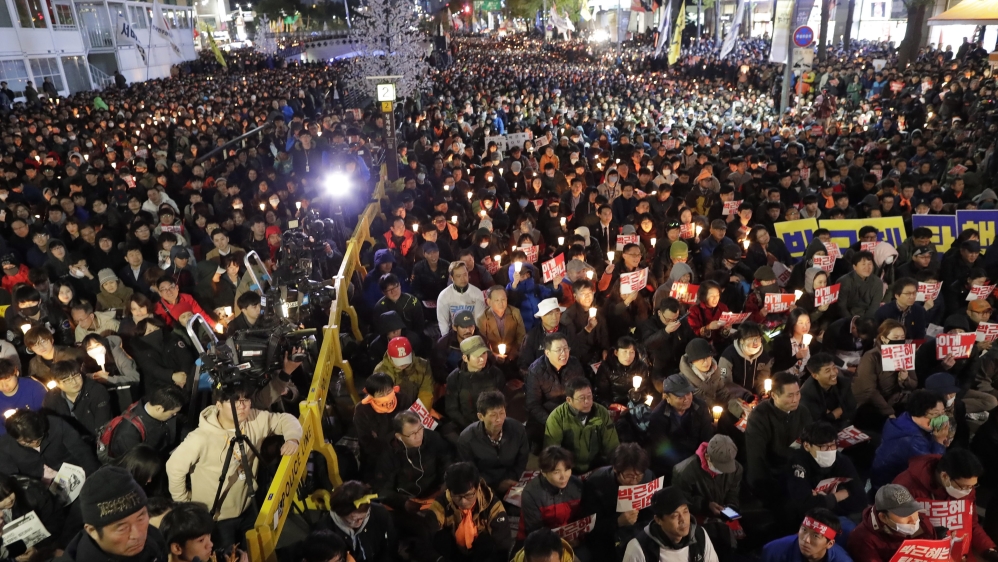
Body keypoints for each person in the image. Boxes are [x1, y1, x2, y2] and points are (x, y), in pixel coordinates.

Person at [165, 383, 303, 549]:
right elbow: (174, 467)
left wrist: (292, 438)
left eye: (246, 400)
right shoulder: (200, 437)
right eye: (234, 401)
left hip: (248, 508)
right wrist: (185, 503)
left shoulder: (253, 418)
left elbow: (284, 419)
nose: (242, 406)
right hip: (216, 518)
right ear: (218, 404)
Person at [892, 449, 998, 560]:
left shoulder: (967, 489)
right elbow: (893, 530)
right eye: (964, 487)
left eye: (973, 486)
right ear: (944, 476)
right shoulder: (905, 486)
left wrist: (988, 549)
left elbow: (971, 523)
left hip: (955, 554)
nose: (969, 491)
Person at [58, 466, 169, 561]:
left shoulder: (153, 535)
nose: (138, 535)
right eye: (122, 528)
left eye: (140, 518)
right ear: (93, 531)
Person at [746, 371, 813, 505]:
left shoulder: (802, 412)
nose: (795, 399)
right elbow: (756, 459)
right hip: (771, 474)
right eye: (790, 396)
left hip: (797, 469)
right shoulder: (759, 416)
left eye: (797, 393)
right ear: (775, 395)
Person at [671, 434, 742, 560]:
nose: (723, 471)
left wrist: (731, 507)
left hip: (721, 515)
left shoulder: (736, 469)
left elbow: (733, 492)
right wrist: (705, 505)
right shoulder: (684, 472)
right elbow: (681, 502)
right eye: (720, 467)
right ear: (707, 457)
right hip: (697, 518)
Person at [581, 444, 656, 561]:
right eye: (629, 476)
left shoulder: (647, 476)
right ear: (616, 469)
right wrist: (617, 522)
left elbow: (651, 513)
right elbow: (590, 527)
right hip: (607, 539)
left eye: (639, 476)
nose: (634, 482)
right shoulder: (596, 483)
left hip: (638, 533)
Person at [428, 462, 513, 562]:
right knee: (440, 538)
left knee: (488, 542)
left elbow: (503, 544)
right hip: (453, 553)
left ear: (477, 488)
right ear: (449, 491)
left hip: (480, 555)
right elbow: (427, 537)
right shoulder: (441, 504)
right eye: (457, 496)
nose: (463, 501)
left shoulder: (492, 505)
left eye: (468, 495)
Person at [786, 422, 866, 524]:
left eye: (832, 445)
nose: (830, 450)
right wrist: (840, 495)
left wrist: (823, 500)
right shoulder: (797, 463)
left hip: (834, 514)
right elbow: (803, 505)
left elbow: (861, 500)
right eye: (823, 446)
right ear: (807, 446)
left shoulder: (841, 460)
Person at [870, 390, 949, 489]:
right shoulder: (912, 441)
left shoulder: (904, 419)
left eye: (943, 412)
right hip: (890, 488)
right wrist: (939, 442)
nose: (942, 418)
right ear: (919, 412)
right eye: (936, 414)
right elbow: (932, 470)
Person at [457, 391, 530, 496]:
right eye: (493, 415)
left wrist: (511, 478)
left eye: (502, 413)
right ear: (480, 416)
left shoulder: (518, 429)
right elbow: (469, 471)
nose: (499, 419)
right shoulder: (467, 438)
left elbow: (522, 459)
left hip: (512, 480)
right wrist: (495, 485)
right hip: (483, 485)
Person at [621, 486, 720, 562]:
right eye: (675, 515)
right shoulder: (639, 548)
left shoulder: (700, 535)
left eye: (685, 511)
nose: (683, 520)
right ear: (658, 520)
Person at [847, 484, 941, 562]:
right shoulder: (863, 540)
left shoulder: (922, 522)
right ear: (883, 517)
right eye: (904, 515)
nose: (913, 520)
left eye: (914, 511)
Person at [544, 377, 620, 472]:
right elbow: (553, 451)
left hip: (596, 465)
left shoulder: (601, 412)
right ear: (569, 400)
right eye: (581, 398)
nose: (587, 402)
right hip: (569, 467)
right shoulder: (557, 417)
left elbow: (612, 445)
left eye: (589, 396)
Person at [647, 374, 715, 478]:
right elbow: (663, 449)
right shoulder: (657, 416)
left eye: (688, 393)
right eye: (680, 396)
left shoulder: (700, 406)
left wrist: (700, 459)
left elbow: (706, 436)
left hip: (697, 455)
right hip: (671, 462)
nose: (686, 399)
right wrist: (684, 466)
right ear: (667, 397)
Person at [0, 409, 100, 478]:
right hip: (41, 487)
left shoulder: (56, 425)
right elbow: (13, 477)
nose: (35, 443)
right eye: (27, 443)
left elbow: (82, 452)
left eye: (39, 439)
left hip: (74, 471)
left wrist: (93, 477)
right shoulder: (5, 446)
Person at [315, 481, 398, 562]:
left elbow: (390, 547)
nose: (358, 523)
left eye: (362, 518)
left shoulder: (380, 513)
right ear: (339, 514)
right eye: (351, 520)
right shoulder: (324, 531)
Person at [525, 333, 586, 439]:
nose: (564, 353)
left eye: (566, 349)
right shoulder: (536, 371)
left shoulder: (574, 364)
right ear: (547, 353)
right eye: (558, 350)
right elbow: (533, 404)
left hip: (571, 411)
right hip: (548, 414)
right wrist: (553, 421)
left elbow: (582, 390)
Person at [518, 446, 585, 541]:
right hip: (540, 542)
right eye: (556, 472)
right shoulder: (531, 493)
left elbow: (582, 516)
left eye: (567, 470)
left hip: (571, 538)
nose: (563, 477)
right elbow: (534, 531)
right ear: (544, 472)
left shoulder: (577, 485)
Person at [105, 386, 186, 459]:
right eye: (172, 413)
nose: (175, 415)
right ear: (159, 409)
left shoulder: (154, 404)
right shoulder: (128, 433)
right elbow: (136, 465)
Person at [42, 360, 112, 440]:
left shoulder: (97, 391)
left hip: (95, 441)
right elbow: (51, 427)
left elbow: (103, 425)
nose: (74, 382)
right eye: (67, 380)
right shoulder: (51, 398)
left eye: (76, 376)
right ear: (57, 384)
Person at [445, 335, 505, 431]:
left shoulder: (496, 373)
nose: (482, 359)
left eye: (484, 354)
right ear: (465, 358)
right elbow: (452, 409)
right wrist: (471, 427)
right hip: (466, 427)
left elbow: (503, 402)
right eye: (477, 356)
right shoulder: (455, 378)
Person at [761, 508, 853, 562]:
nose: (806, 539)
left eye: (815, 536)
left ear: (829, 544)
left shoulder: (841, 560)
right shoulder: (774, 551)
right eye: (804, 530)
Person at [800, 353, 857, 429]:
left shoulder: (843, 383)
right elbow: (816, 424)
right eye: (827, 371)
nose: (834, 373)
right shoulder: (807, 394)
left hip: (844, 427)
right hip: (821, 434)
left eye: (834, 368)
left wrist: (831, 414)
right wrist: (833, 415)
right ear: (815, 376)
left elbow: (852, 408)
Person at [437, 261, 487, 336]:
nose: (463, 279)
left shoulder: (477, 293)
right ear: (452, 277)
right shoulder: (444, 296)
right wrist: (447, 341)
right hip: (454, 333)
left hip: (472, 332)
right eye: (458, 276)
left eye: (465, 275)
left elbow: (479, 321)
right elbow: (443, 323)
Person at [0, 359, 47, 429]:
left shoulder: (35, 388)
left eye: (8, 380)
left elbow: (44, 417)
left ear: (16, 372)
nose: (4, 386)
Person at [837, 251, 884, 319]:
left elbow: (874, 307)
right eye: (863, 264)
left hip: (868, 319)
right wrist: (851, 322)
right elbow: (841, 307)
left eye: (870, 264)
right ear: (854, 267)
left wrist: (864, 322)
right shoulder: (844, 281)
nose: (867, 267)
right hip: (846, 319)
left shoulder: (878, 282)